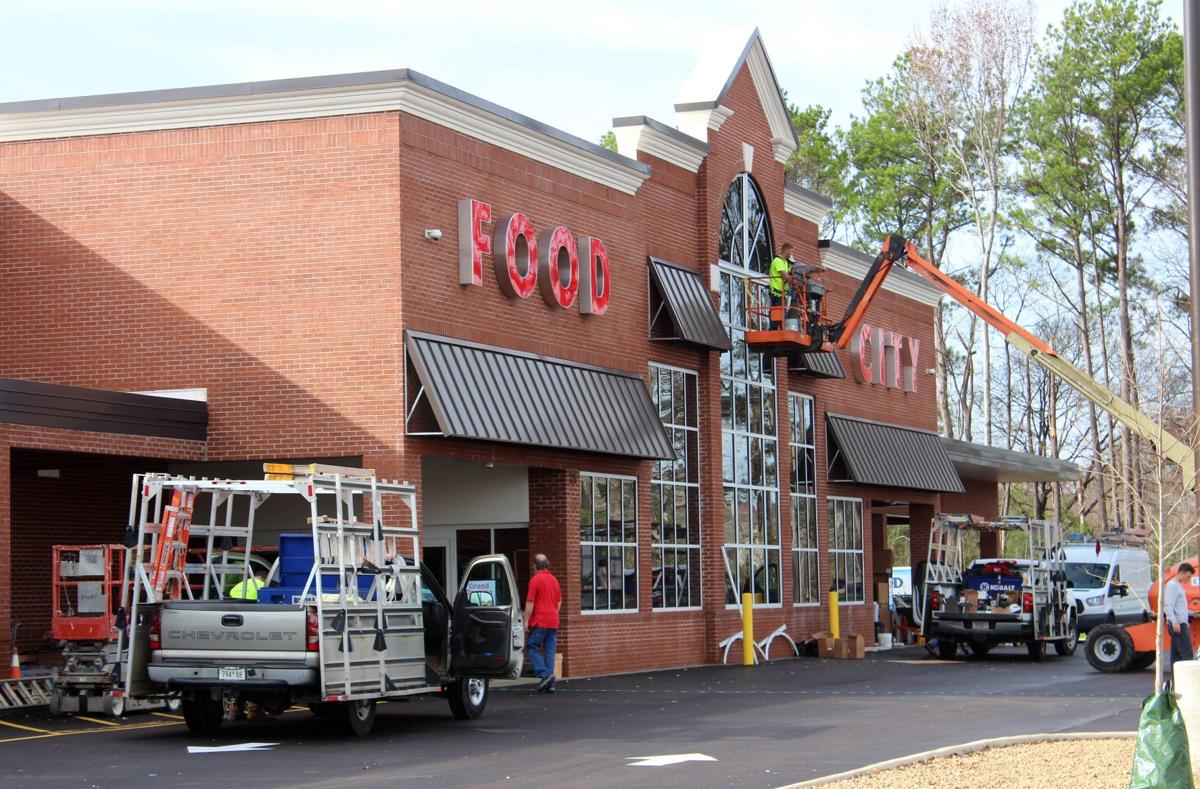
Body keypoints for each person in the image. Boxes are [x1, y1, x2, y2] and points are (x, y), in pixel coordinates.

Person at [524, 554, 561, 693]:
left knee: (532, 647)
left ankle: (545, 674)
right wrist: (553, 613)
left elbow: (530, 602)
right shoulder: (554, 580)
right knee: (549, 650)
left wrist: (526, 620)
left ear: (535, 566)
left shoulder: (535, 580)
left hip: (540, 620)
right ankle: (550, 682)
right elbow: (559, 601)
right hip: (553, 620)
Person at [1165, 562, 1194, 685]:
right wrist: (1174, 621)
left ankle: (1177, 683)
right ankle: (1188, 683)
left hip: (1180, 622)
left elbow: (1179, 607)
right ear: (1181, 573)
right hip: (1178, 625)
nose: (1189, 579)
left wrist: (1193, 613)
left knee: (1176, 656)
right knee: (1186, 655)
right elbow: (1168, 605)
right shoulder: (1172, 586)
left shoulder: (1177, 585)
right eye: (1188, 576)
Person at [768, 243, 793, 329]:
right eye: (791, 251)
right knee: (778, 311)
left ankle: (777, 328)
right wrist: (794, 280)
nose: (791, 254)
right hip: (776, 291)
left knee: (781, 312)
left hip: (782, 292)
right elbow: (785, 276)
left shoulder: (785, 262)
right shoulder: (777, 261)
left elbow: (789, 273)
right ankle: (774, 328)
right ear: (786, 250)